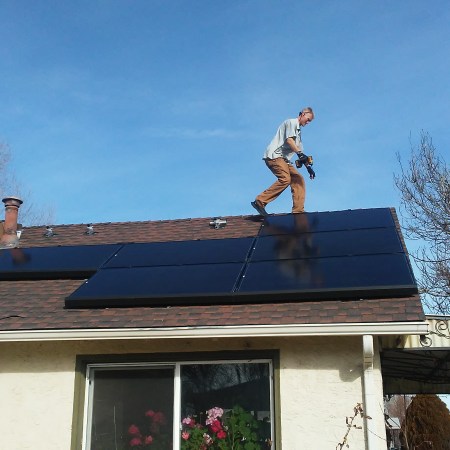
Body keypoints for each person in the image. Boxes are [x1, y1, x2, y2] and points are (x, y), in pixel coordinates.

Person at [251, 107, 315, 216]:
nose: (308, 122)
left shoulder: (298, 134)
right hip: (275, 156)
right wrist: (299, 154)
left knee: (298, 179)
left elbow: (301, 153)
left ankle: (298, 210)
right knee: (285, 179)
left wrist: (308, 167)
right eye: (308, 119)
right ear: (303, 114)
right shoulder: (291, 122)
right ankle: (260, 201)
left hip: (284, 160)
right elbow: (289, 140)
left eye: (310, 121)